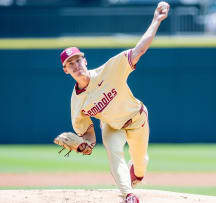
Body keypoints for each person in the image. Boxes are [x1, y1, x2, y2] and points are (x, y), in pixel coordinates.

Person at [58, 2, 170, 203]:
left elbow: (139, 50)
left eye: (77, 60)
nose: (75, 66)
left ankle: (136, 173)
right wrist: (86, 146)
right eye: (70, 64)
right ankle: (128, 195)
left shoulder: (110, 69)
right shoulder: (77, 103)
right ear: (66, 71)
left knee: (141, 164)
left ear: (85, 60)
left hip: (137, 119)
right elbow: (89, 136)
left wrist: (156, 20)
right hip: (112, 126)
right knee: (114, 153)